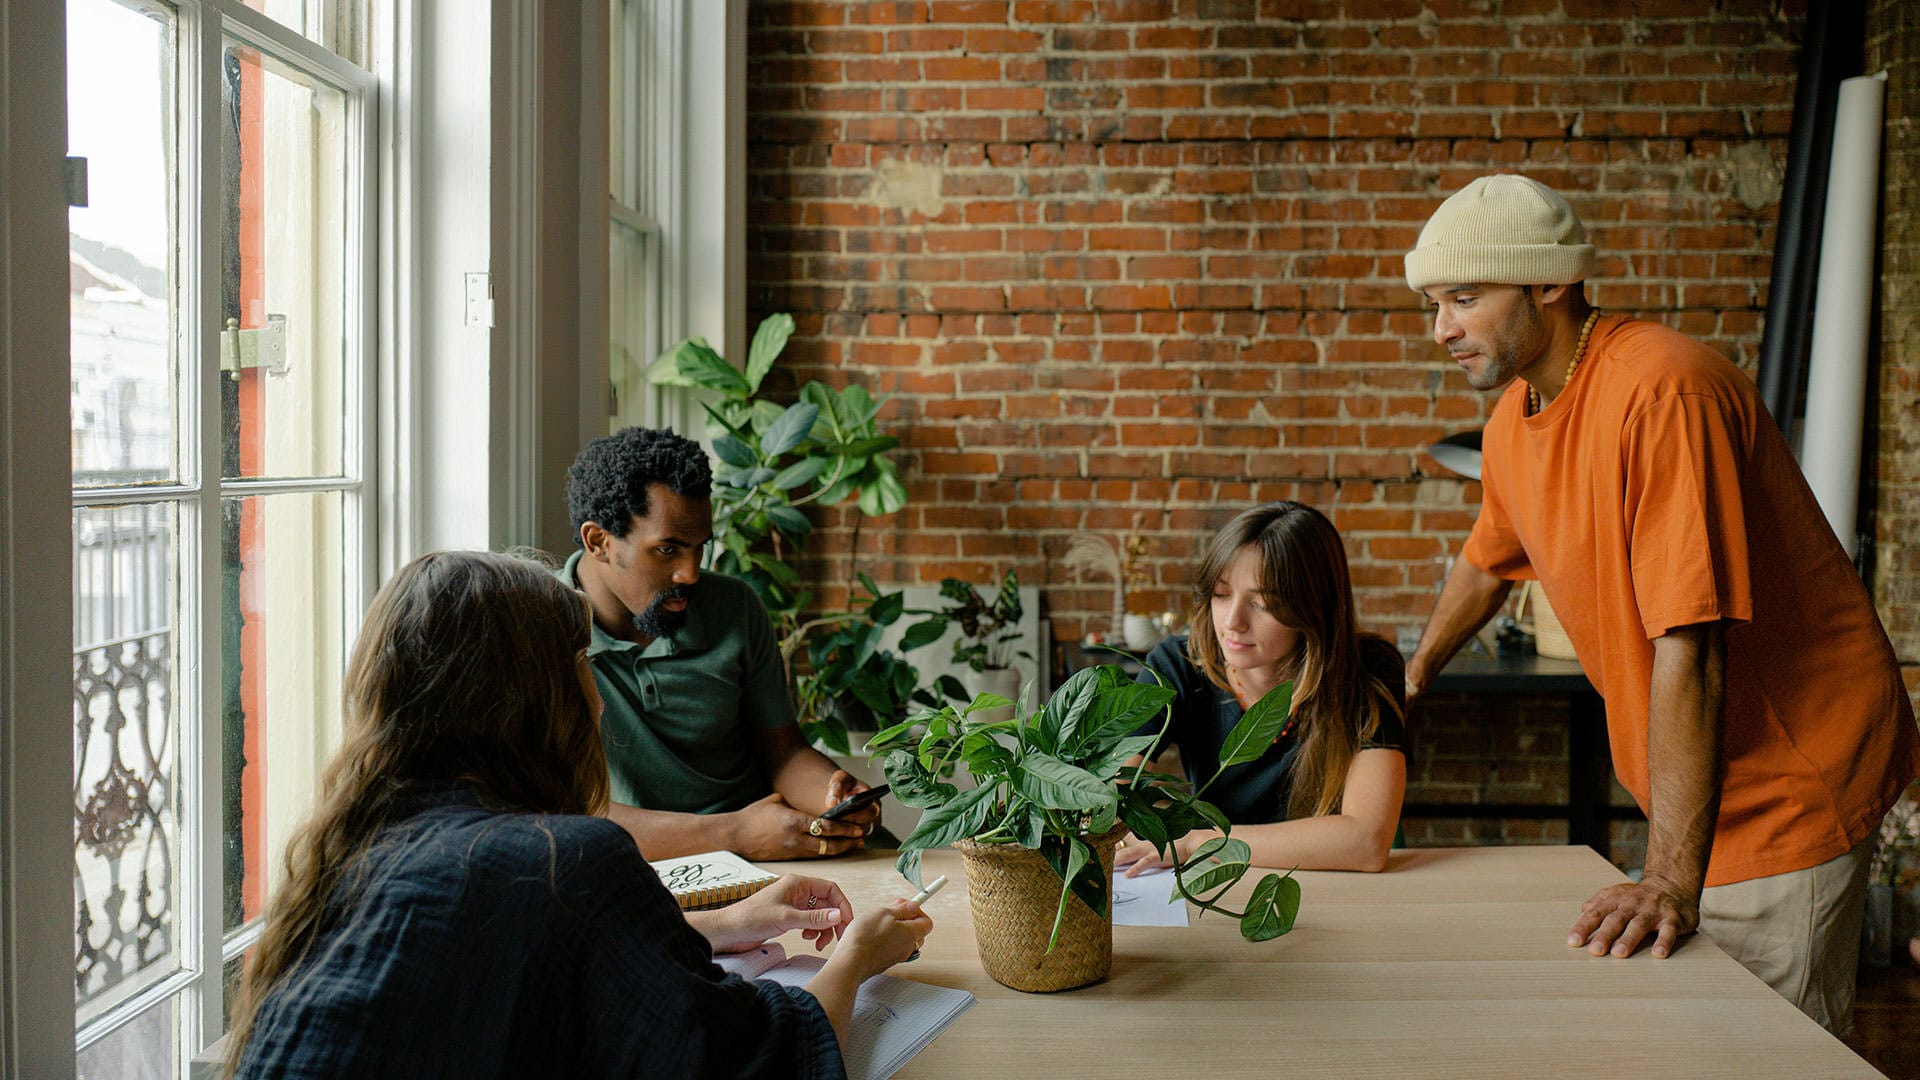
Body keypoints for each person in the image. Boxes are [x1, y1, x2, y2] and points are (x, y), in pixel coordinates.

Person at [1399, 173, 1920, 1032]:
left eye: (1465, 298)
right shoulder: (1515, 417)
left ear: (1550, 283)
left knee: (1761, 1055)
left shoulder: (1664, 393)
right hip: (1704, 787)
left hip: (1790, 778)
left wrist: (1671, 879)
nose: (1442, 329)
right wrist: (1414, 677)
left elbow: (1693, 646)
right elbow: (1489, 560)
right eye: (1434, 304)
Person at [224, 551, 931, 1079]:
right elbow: (765, 1056)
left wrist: (718, 926)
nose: (597, 697)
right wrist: (857, 957)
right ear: (542, 701)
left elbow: (520, 962)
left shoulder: (354, 849)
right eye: (584, 664)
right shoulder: (564, 858)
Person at [563, 426, 879, 861]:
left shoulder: (735, 607)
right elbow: (562, 813)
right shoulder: (538, 631)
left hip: (770, 853)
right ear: (598, 541)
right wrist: (735, 834)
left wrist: (832, 795)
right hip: (637, 865)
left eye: (699, 548)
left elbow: (783, 753)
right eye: (668, 550)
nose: (690, 574)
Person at [1114, 501, 1407, 876]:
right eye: (1221, 594)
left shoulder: (1367, 668)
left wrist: (1197, 841)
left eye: (1262, 603)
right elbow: (1116, 794)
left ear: (1313, 607)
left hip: (1327, 880)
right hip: (1213, 881)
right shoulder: (1178, 663)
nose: (1233, 622)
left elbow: (1365, 844)